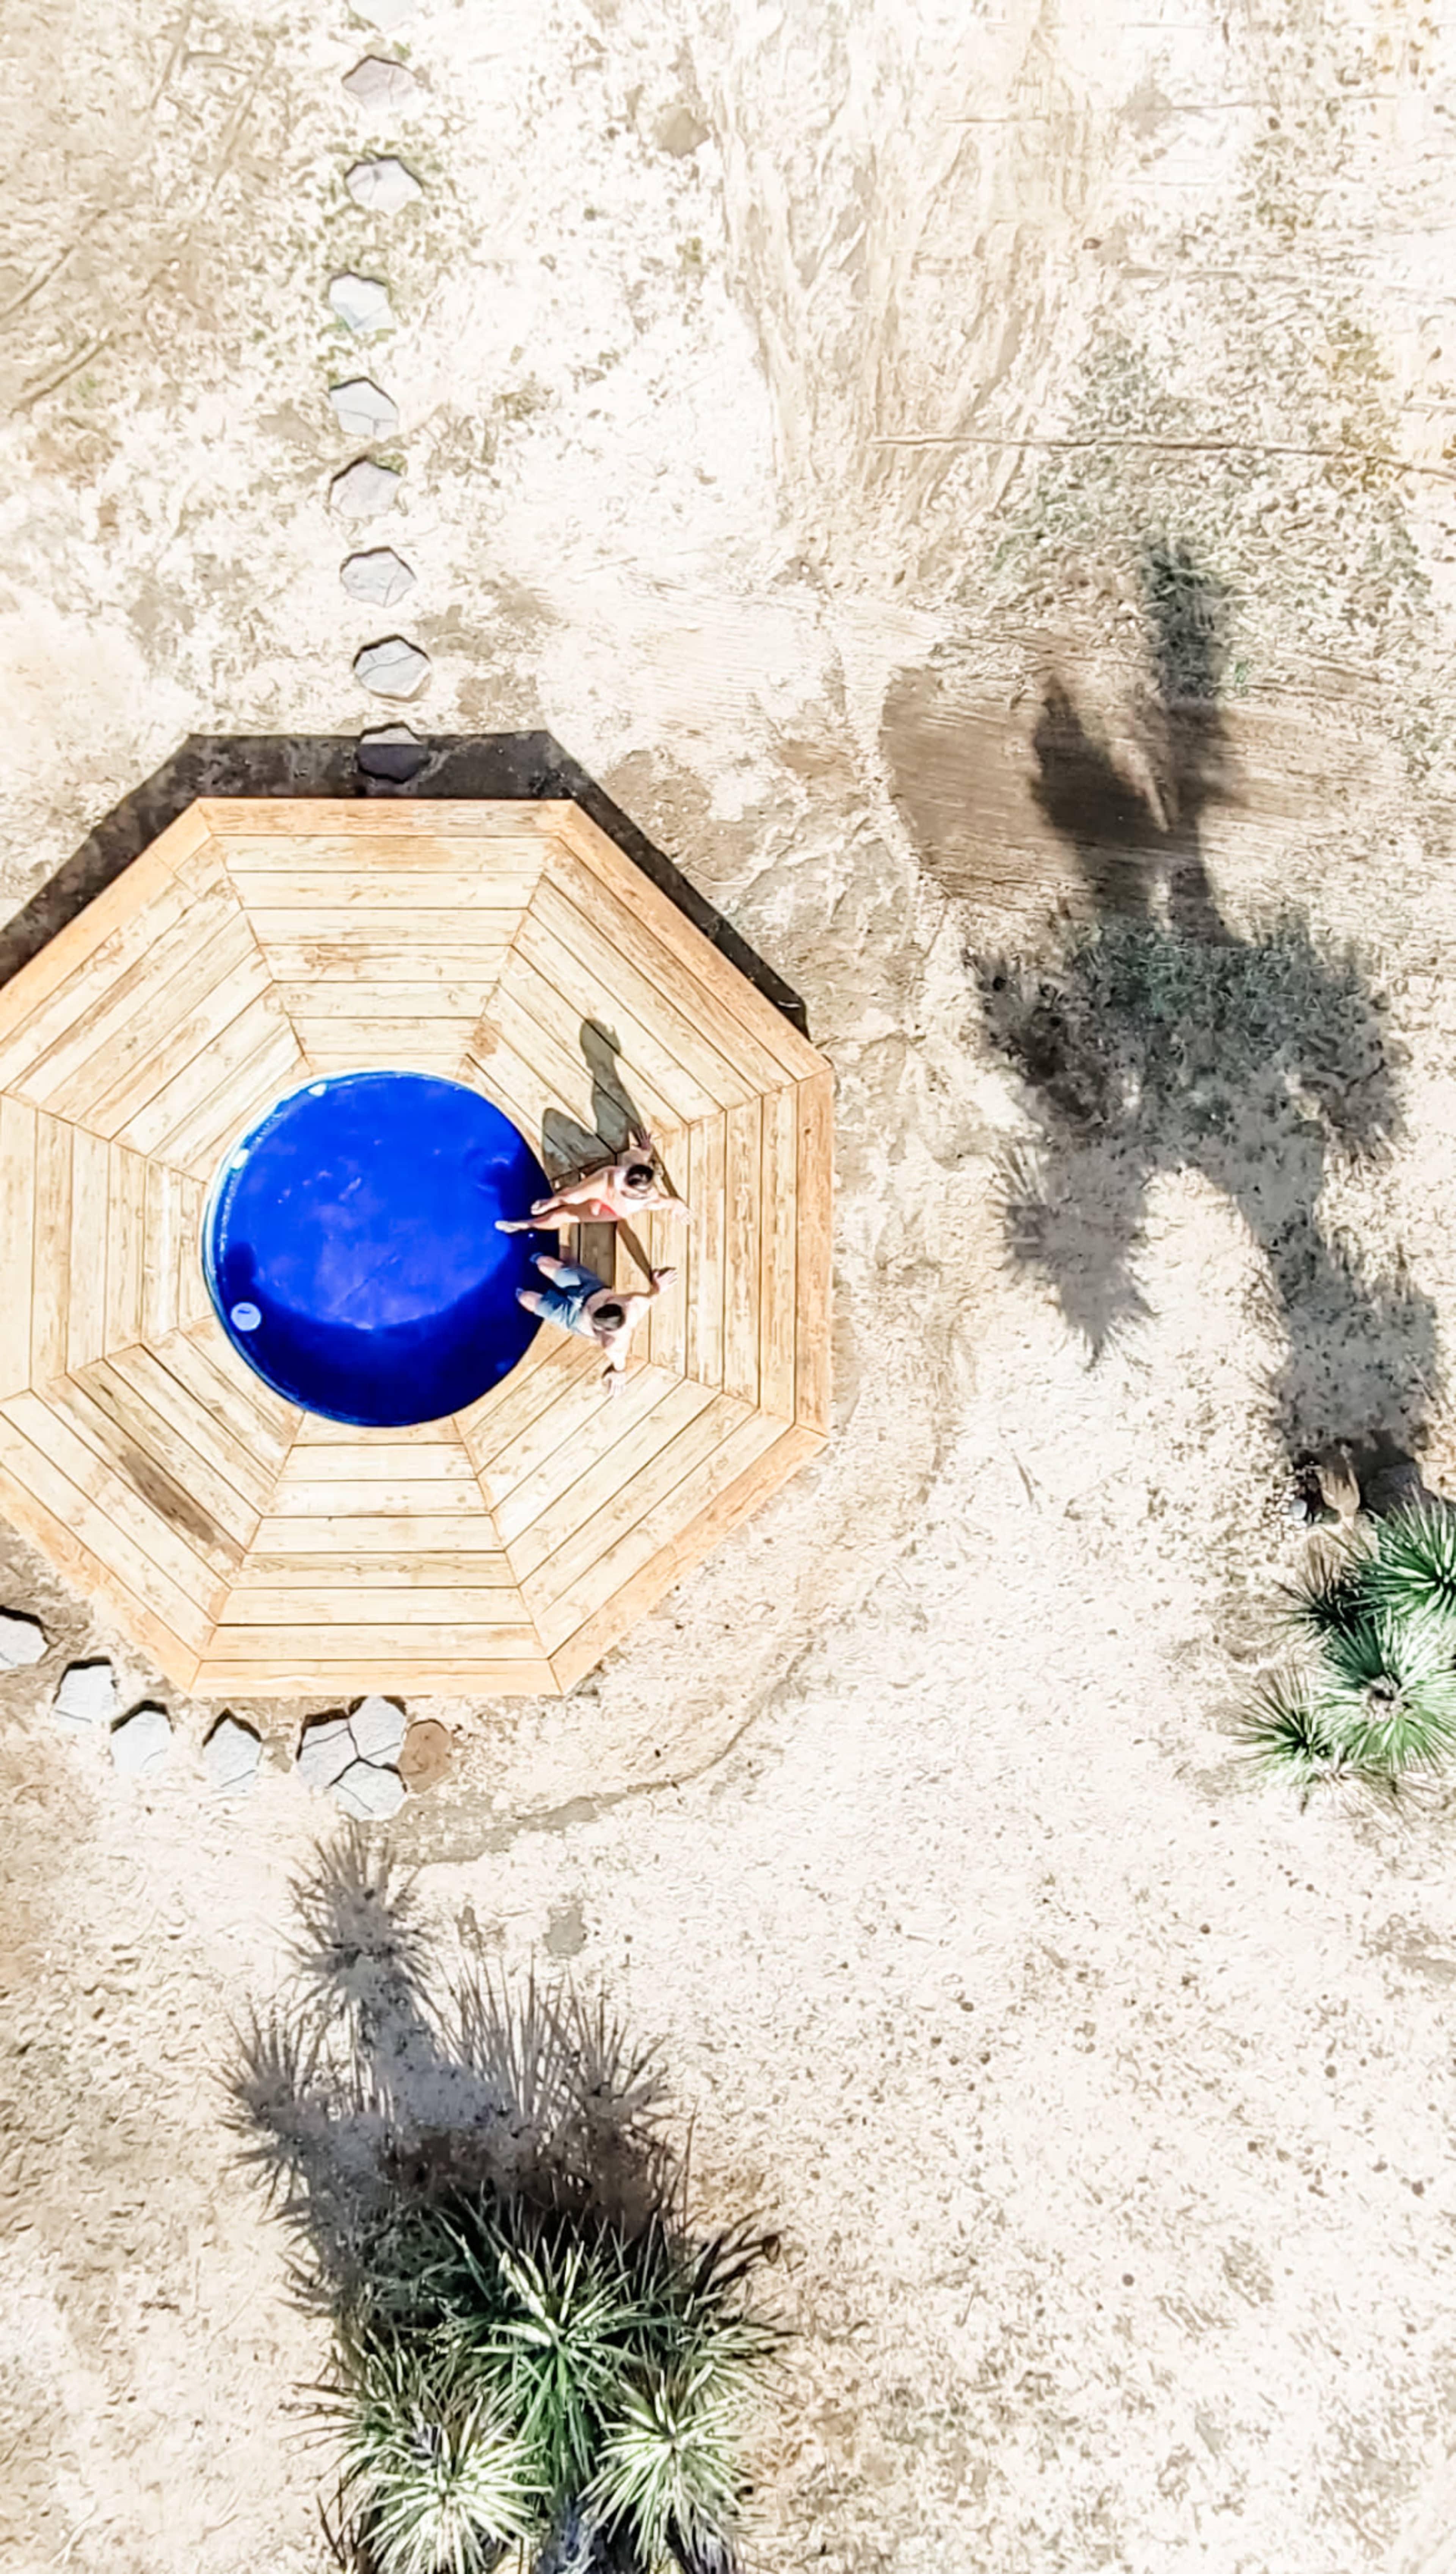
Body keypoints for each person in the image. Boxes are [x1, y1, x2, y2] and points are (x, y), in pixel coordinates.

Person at [518, 1252, 677, 1392]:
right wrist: (658, 1288)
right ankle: (538, 1259)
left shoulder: (615, 1343)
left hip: (574, 1319)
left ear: (603, 1329)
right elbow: (651, 1298)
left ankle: (518, 1293)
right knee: (544, 1264)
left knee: (527, 1299)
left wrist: (619, 1373)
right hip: (589, 1289)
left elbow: (619, 1359)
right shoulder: (634, 1302)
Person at [496, 1129, 690, 1231]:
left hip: (613, 1208)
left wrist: (680, 1209)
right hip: (606, 1184)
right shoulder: (629, 1164)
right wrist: (645, 1151)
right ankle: (548, 1203)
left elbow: (672, 1204)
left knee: (560, 1217)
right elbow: (635, 1156)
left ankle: (526, 1225)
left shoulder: (652, 1198)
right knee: (570, 1196)